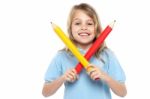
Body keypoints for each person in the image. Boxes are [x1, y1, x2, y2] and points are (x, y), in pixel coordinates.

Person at [42, 3, 127, 99]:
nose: (84, 27)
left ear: (96, 28)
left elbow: (122, 92)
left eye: (89, 23)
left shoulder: (107, 55)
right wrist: (63, 78)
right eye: (78, 23)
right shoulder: (62, 56)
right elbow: (45, 92)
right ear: (70, 28)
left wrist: (104, 76)